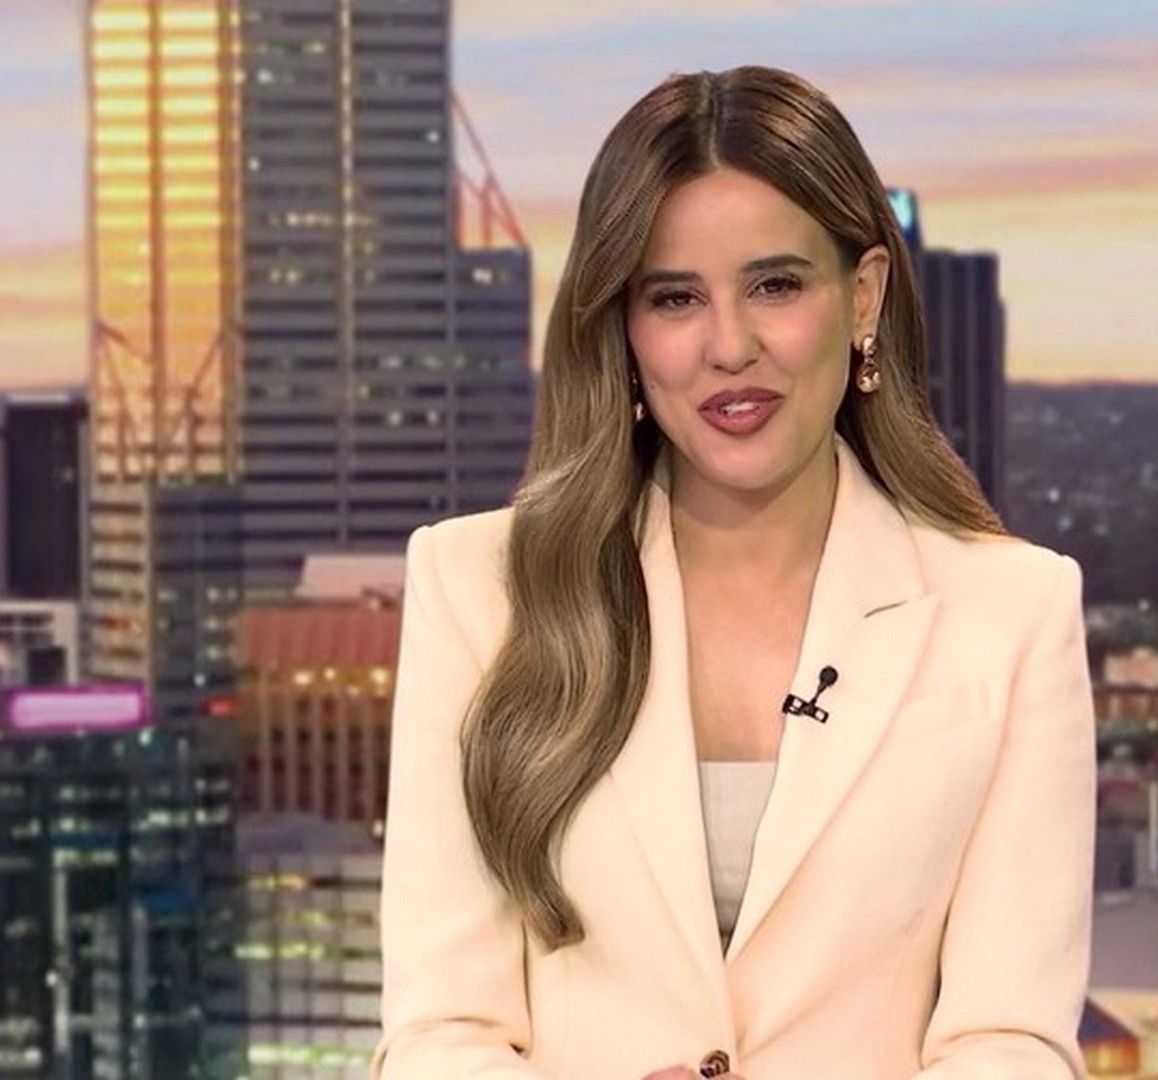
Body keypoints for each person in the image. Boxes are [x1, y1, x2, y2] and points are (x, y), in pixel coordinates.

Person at [372, 64, 1098, 1079]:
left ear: (863, 297)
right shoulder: (476, 592)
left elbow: (1012, 1039)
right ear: (623, 328)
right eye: (675, 298)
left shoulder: (1012, 611)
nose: (729, 346)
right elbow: (438, 1033)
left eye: (775, 286)